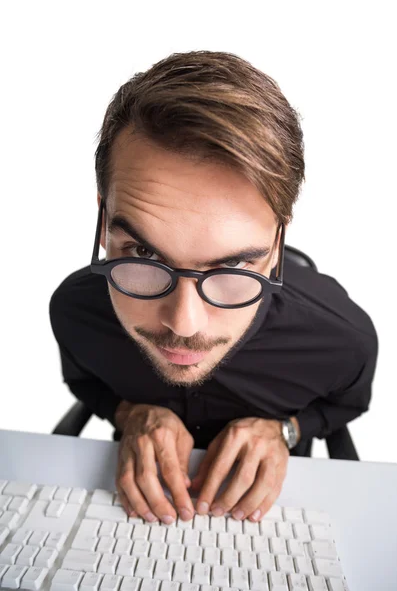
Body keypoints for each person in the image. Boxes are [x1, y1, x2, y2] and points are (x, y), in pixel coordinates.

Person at [50, 50, 378, 527]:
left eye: (235, 265)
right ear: (102, 219)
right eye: (143, 255)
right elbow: (85, 383)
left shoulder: (341, 338)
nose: (183, 324)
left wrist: (285, 431)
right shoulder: (75, 311)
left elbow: (347, 403)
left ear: (278, 240)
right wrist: (129, 412)